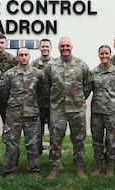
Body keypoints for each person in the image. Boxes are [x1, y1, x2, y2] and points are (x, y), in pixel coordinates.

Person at [44, 37, 92, 179]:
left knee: (79, 140)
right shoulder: (51, 65)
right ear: (58, 48)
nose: (65, 48)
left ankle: (78, 167)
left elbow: (88, 85)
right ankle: (55, 167)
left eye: (67, 45)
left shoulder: (81, 65)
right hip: (58, 109)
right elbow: (46, 86)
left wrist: (79, 99)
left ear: (72, 47)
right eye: (62, 46)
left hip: (77, 109)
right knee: (55, 140)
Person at [0, 47, 45, 178]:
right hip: (13, 114)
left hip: (32, 114)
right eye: (21, 55)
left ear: (29, 56)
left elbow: (42, 92)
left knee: (33, 143)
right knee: (11, 142)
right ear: (17, 57)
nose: (24, 57)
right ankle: (10, 170)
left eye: (26, 55)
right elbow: (4, 94)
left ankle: (34, 169)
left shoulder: (38, 74)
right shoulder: (9, 74)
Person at [90, 45, 115, 177]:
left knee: (112, 141)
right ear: (99, 55)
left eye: (106, 54)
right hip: (97, 113)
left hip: (112, 113)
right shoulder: (93, 73)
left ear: (110, 54)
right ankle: (99, 166)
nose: (104, 56)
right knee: (97, 141)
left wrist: (113, 104)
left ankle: (111, 168)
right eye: (102, 54)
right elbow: (89, 89)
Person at [31, 38, 53, 155]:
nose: (45, 49)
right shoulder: (34, 64)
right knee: (37, 132)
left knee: (54, 132)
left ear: (51, 48)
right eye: (43, 46)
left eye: (47, 47)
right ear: (39, 48)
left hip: (53, 104)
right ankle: (37, 156)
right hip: (38, 104)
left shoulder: (56, 63)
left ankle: (54, 157)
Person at [0, 34, 18, 123]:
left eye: (2, 43)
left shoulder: (13, 60)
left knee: (8, 126)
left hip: (7, 99)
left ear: (6, 44)